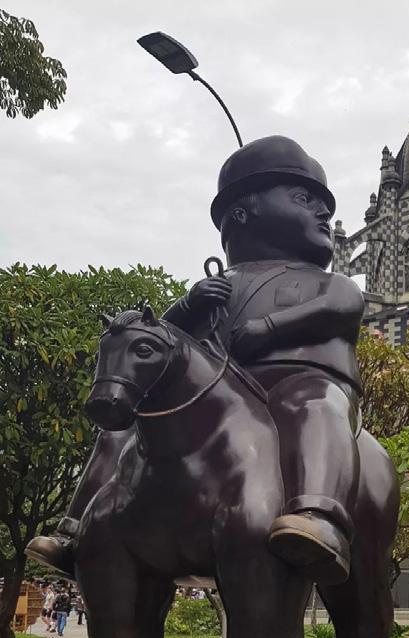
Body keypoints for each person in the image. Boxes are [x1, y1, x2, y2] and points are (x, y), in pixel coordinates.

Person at [25, 135, 364, 587]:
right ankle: (74, 531)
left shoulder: (324, 282)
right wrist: (187, 306)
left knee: (317, 406)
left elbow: (345, 305)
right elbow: (159, 340)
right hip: (224, 402)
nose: (324, 212)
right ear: (241, 214)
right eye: (305, 199)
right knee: (120, 432)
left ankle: (318, 516)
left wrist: (270, 328)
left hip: (298, 383)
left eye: (324, 204)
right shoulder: (214, 289)